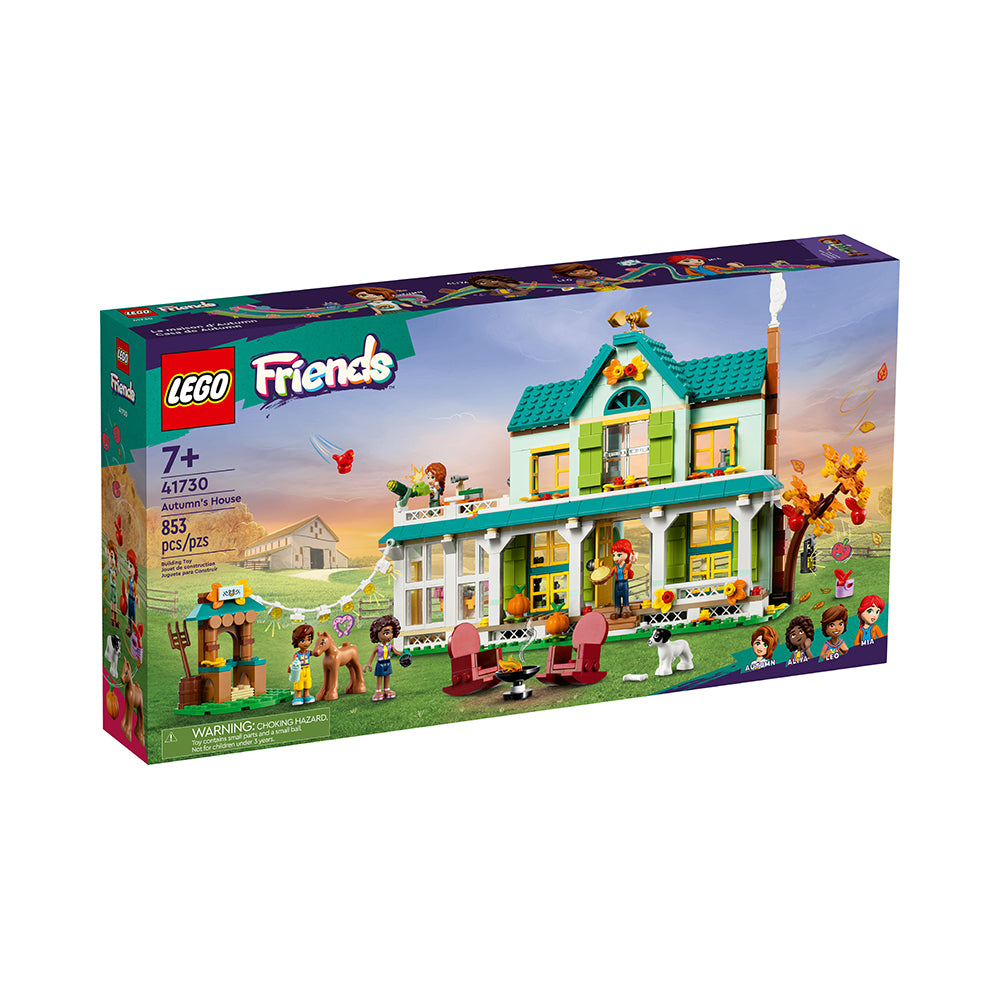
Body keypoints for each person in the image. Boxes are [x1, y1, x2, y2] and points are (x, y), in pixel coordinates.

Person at [366, 614, 405, 701]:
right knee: (379, 677)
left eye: (391, 632)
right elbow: (372, 655)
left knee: (387, 676)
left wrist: (401, 654)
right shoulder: (377, 647)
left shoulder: (390, 646)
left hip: (388, 663)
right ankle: (378, 691)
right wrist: (369, 664)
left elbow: (395, 652)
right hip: (380, 664)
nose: (390, 636)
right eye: (386, 633)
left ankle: (387, 690)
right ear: (377, 634)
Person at [288, 624, 319, 706]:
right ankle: (298, 696)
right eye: (302, 641)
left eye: (309, 639)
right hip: (299, 670)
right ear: (296, 641)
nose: (306, 643)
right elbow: (294, 662)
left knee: (307, 682)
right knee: (299, 683)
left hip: (307, 670)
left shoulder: (309, 652)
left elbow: (315, 653)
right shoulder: (297, 654)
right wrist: (291, 667)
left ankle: (306, 695)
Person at [610, 538, 637, 619]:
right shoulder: (615, 567)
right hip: (617, 583)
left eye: (619, 555)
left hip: (624, 583)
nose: (615, 558)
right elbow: (610, 574)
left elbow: (629, 566)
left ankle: (626, 609)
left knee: (625, 596)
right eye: (614, 555)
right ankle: (617, 610)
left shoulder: (626, 566)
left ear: (627, 554)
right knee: (617, 597)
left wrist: (631, 561)